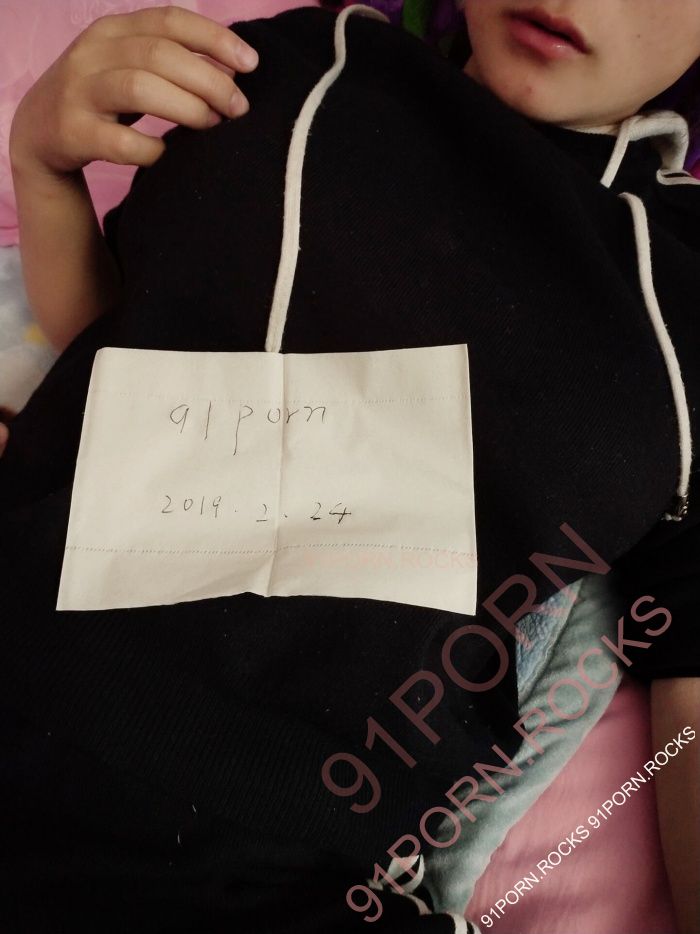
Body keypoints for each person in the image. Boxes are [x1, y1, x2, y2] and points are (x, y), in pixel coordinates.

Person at [2, 2, 699, 931]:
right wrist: (43, 169)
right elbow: (120, 344)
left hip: (295, 847)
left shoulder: (683, 283)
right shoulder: (281, 65)